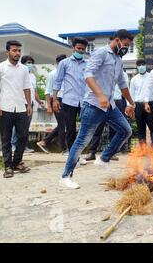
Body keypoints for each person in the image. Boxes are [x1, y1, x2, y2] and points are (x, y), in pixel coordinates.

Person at [60, 30, 135, 189]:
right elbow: (88, 74)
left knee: (125, 130)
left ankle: (103, 159)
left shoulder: (118, 60)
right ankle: (66, 176)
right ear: (117, 40)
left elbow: (122, 84)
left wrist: (131, 103)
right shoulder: (101, 53)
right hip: (93, 105)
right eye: (126, 45)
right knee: (82, 142)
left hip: (109, 106)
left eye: (129, 46)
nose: (126, 48)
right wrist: (100, 95)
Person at [0, 40, 33, 178]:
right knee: (6, 138)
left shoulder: (24, 69)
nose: (17, 53)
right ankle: (8, 166)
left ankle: (17, 162)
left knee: (23, 136)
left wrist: (29, 105)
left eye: (19, 51)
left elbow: (27, 87)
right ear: (7, 52)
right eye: (14, 50)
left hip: (21, 107)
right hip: (4, 108)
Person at [53, 37, 88, 164]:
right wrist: (55, 99)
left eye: (83, 49)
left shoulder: (88, 64)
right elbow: (58, 81)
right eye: (78, 48)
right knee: (70, 129)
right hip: (69, 101)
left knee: (85, 129)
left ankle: (78, 154)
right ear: (73, 48)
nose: (80, 51)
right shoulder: (64, 63)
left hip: (84, 101)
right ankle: (72, 157)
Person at [85, 71, 129, 161]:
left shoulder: (123, 74)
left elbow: (125, 88)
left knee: (115, 129)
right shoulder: (101, 71)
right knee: (98, 127)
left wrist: (129, 104)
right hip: (101, 101)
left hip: (116, 101)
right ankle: (92, 152)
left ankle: (111, 153)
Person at [11, 55, 45, 152]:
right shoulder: (19, 74)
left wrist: (39, 101)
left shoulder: (33, 76)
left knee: (26, 126)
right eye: (28, 62)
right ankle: (13, 144)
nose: (30, 65)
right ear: (23, 63)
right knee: (18, 125)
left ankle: (23, 147)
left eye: (31, 63)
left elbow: (34, 91)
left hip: (31, 104)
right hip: (21, 103)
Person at [36, 54, 68, 154]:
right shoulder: (53, 74)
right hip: (56, 100)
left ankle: (44, 141)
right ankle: (64, 149)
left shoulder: (68, 73)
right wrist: (49, 106)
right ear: (59, 63)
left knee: (64, 124)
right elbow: (47, 91)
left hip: (67, 100)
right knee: (63, 126)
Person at [130, 59, 153, 147]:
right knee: (140, 127)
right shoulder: (134, 79)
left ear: (145, 65)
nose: (141, 66)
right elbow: (131, 93)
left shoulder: (151, 77)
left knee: (152, 126)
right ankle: (142, 148)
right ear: (137, 67)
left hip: (150, 104)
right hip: (138, 105)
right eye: (139, 65)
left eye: (143, 64)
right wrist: (131, 106)